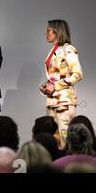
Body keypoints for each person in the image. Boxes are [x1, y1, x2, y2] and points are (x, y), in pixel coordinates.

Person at [40, 19, 83, 149]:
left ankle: (67, 166)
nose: (46, 33)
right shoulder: (55, 49)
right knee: (54, 139)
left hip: (64, 102)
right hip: (53, 100)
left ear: (57, 31)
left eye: (49, 30)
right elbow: (57, 76)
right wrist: (46, 86)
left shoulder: (68, 49)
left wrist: (56, 86)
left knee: (65, 139)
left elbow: (77, 74)